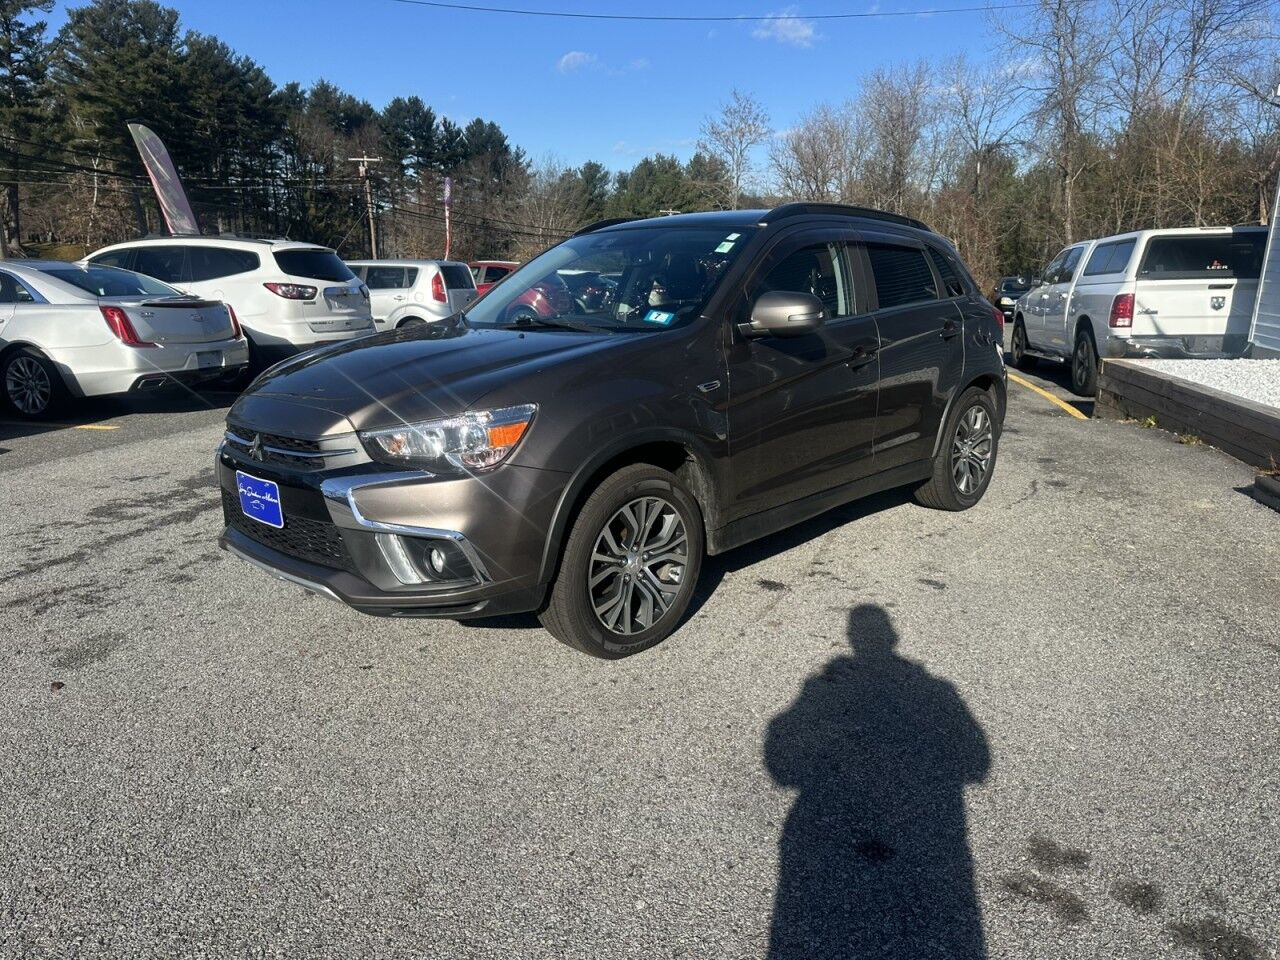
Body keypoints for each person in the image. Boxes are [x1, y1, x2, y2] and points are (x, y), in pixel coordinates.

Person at [764, 605, 991, 959]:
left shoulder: (816, 690)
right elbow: (978, 763)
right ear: (894, 637)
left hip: (813, 836)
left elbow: (780, 767)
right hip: (931, 835)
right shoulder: (937, 689)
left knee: (807, 922)